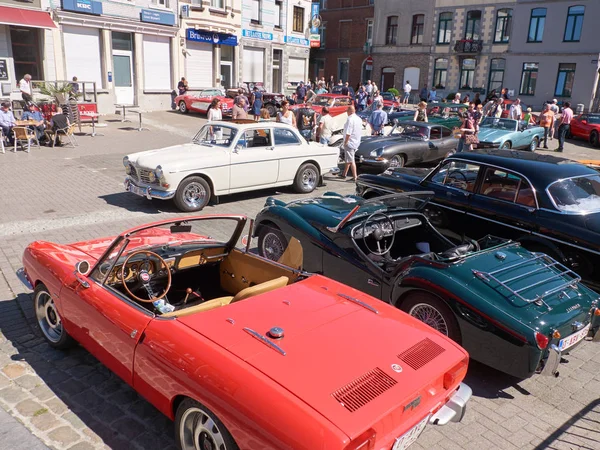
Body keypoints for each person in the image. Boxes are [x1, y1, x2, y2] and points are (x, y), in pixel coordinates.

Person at [341, 105, 362, 181]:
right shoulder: (359, 119)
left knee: (351, 160)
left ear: (350, 111)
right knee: (348, 158)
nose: (346, 112)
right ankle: (344, 173)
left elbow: (348, 132)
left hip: (350, 141)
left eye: (347, 110)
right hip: (356, 141)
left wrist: (345, 142)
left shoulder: (350, 119)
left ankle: (355, 177)